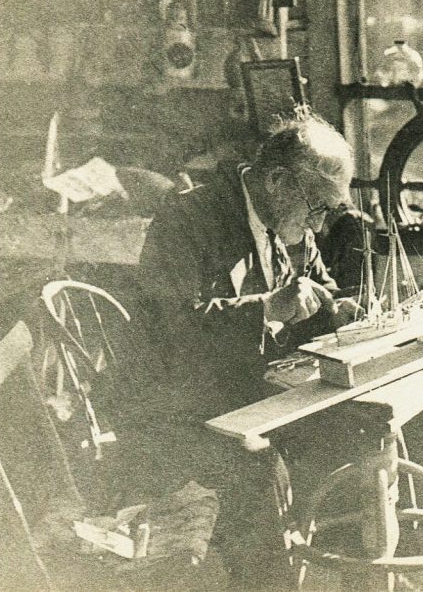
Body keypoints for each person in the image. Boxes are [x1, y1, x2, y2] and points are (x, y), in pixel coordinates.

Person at [117, 114, 362, 588]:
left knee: (362, 429)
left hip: (244, 392)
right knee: (257, 470)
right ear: (277, 181)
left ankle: (359, 570)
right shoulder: (188, 219)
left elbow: (319, 286)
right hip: (173, 406)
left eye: (327, 211)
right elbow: (170, 329)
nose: (319, 222)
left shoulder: (289, 218)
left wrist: (339, 310)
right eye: (317, 207)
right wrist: (268, 307)